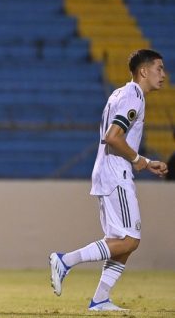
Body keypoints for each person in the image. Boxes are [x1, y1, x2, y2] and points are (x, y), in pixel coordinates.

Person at [49, 49, 169, 311]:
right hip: (117, 173)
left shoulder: (121, 93)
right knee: (130, 240)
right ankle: (65, 260)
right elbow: (113, 137)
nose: (164, 74)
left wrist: (146, 163)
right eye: (159, 68)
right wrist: (138, 160)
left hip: (110, 170)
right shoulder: (133, 97)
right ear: (144, 71)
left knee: (122, 242)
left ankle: (100, 299)